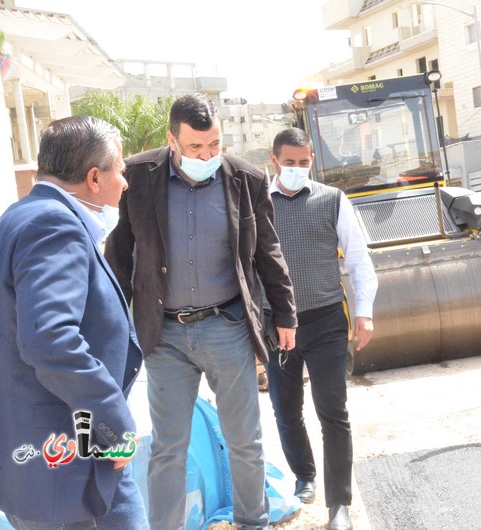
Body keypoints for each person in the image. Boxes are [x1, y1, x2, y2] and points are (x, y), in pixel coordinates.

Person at [104, 93, 297, 530]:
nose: (207, 155)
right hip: (164, 334)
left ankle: (253, 523)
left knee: (245, 441)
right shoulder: (138, 177)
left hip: (226, 326)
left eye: (214, 145)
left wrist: (285, 314)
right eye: (195, 148)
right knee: (169, 447)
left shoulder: (245, 179)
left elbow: (268, 252)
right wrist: (113, 326)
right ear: (172, 140)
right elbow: (118, 256)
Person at [0, 116, 146, 529]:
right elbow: (49, 340)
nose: (125, 184)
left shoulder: (22, 216)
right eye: (121, 171)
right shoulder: (53, 226)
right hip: (69, 461)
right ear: (94, 178)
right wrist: (115, 424)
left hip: (43, 458)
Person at [265, 128, 378, 530]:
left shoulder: (333, 200)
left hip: (327, 319)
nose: (297, 169)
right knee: (285, 409)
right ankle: (304, 476)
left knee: (333, 411)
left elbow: (360, 259)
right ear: (274, 159)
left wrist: (363, 310)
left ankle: (339, 505)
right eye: (289, 162)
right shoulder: (257, 204)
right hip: (276, 325)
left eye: (304, 162)